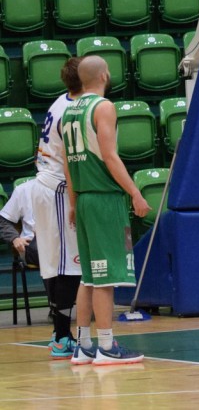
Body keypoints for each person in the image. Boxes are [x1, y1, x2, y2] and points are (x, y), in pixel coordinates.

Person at [63, 56, 151, 366]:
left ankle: (84, 345)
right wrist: (135, 192)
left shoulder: (69, 111)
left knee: (88, 276)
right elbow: (110, 157)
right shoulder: (103, 107)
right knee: (105, 277)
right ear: (103, 75)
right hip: (103, 198)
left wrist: (73, 203)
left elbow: (66, 165)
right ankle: (107, 346)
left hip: (84, 198)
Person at [29, 57, 84, 359]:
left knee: (54, 263)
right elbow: (71, 162)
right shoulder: (72, 110)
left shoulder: (59, 101)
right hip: (59, 190)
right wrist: (75, 202)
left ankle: (59, 334)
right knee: (69, 265)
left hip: (45, 185)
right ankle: (62, 336)